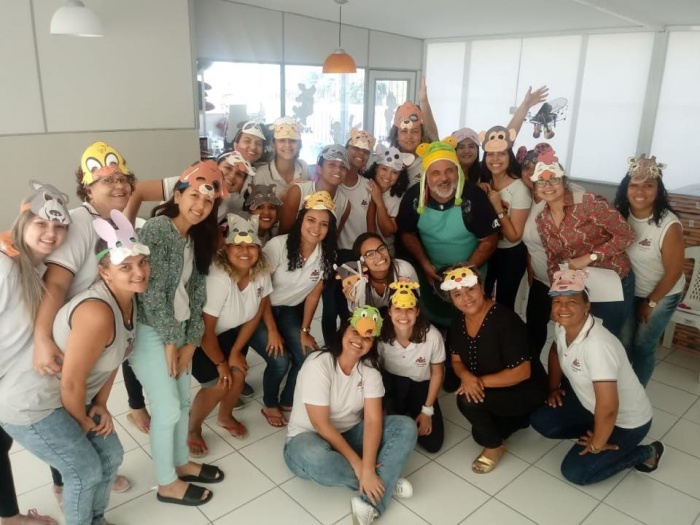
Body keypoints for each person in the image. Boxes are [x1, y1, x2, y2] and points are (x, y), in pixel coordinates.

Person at [2, 206, 150, 525]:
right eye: (126, 266)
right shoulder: (96, 312)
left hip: (65, 397)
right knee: (84, 470)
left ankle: (95, 519)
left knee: (111, 455)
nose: (139, 272)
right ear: (105, 273)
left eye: (142, 262)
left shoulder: (129, 299)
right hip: (31, 405)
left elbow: (116, 356)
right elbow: (71, 383)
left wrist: (100, 405)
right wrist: (82, 421)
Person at [32, 142, 135, 495]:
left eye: (122, 178)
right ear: (88, 188)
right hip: (66, 331)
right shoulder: (80, 221)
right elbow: (56, 283)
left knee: (85, 400)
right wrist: (43, 338)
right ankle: (65, 484)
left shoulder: (117, 222)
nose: (118, 185)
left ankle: (98, 466)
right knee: (64, 403)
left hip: (93, 333)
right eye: (107, 180)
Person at [129, 160, 225, 507]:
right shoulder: (157, 229)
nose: (200, 205)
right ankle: (166, 483)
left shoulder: (197, 237)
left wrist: (190, 341)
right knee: (168, 407)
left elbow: (197, 291)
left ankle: (182, 462)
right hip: (150, 330)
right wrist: (172, 341)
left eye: (208, 200)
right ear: (178, 194)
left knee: (183, 402)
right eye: (194, 195)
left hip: (180, 329)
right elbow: (150, 292)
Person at [283, 307, 417, 525]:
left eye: (368, 337)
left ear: (372, 343)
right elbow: (320, 424)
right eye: (355, 331)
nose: (360, 340)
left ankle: (372, 495)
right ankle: (386, 482)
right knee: (314, 456)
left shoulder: (370, 371)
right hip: (307, 438)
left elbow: (373, 420)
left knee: (406, 426)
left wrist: (368, 466)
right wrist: (359, 465)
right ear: (343, 332)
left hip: (350, 434)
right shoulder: (318, 363)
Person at [530, 269, 663, 485]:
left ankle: (646, 452)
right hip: (593, 407)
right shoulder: (563, 327)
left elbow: (609, 407)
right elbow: (555, 352)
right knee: (542, 421)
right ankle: (599, 430)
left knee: (575, 473)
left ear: (587, 306)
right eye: (557, 302)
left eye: (572, 301)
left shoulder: (597, 346)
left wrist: (597, 442)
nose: (563, 308)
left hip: (626, 421)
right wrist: (553, 388)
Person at [0, 181, 71, 525]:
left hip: (14, 375)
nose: (50, 233)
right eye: (42, 223)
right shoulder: (4, 265)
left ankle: (58, 488)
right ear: (24, 221)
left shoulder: (40, 268)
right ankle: (11, 518)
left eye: (59, 226)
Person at [442, 266, 547, 474]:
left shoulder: (506, 320)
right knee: (479, 433)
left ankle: (495, 447)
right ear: (452, 300)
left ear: (482, 288)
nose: (466, 298)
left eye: (470, 289)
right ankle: (519, 419)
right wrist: (466, 377)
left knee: (467, 400)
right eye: (457, 294)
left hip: (524, 389)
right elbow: (456, 360)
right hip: (495, 386)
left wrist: (476, 383)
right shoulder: (458, 322)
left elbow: (522, 372)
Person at [249, 191, 338, 428]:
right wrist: (272, 330)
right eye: (311, 220)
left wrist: (305, 330)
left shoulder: (326, 255)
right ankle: (270, 404)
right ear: (301, 220)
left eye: (323, 224)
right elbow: (261, 291)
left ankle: (287, 400)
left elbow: (313, 295)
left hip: (287, 311)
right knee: (280, 361)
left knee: (306, 355)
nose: (316, 228)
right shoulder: (278, 246)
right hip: (258, 310)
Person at [188, 214, 272, 456]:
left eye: (251, 246)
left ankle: (225, 417)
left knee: (239, 373)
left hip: (228, 333)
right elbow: (204, 331)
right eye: (238, 245)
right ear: (226, 248)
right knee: (219, 383)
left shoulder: (261, 271)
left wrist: (235, 352)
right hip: (197, 338)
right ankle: (193, 428)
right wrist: (221, 363)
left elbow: (256, 313)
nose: (245, 251)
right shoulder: (219, 278)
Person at [396, 137, 499, 329]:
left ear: (458, 172)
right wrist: (425, 264)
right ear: (426, 176)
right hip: (432, 271)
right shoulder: (414, 197)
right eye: (435, 173)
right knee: (433, 320)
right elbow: (407, 234)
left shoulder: (474, 197)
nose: (443, 178)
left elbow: (490, 240)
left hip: (472, 268)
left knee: (471, 320)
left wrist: (466, 270)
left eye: (449, 171)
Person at [533, 148, 636, 339]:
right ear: (535, 186)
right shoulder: (542, 220)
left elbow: (626, 234)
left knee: (607, 337)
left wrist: (589, 257)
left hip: (612, 281)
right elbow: (553, 260)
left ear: (564, 181)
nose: (547, 185)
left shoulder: (589, 203)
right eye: (541, 181)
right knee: (579, 336)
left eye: (554, 179)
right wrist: (557, 296)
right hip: (579, 287)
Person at [615, 155, 686, 386]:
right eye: (634, 185)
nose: (640, 191)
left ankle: (637, 395)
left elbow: (674, 272)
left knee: (643, 346)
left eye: (648, 185)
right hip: (629, 290)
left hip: (661, 294)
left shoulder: (668, 225)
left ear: (659, 190)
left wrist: (651, 302)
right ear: (626, 189)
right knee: (623, 342)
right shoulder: (620, 215)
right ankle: (622, 389)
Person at [378, 282, 445, 453]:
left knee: (433, 443)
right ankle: (397, 408)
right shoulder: (379, 333)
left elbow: (438, 373)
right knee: (382, 431)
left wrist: (427, 411)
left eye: (409, 309)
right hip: (390, 384)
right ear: (389, 311)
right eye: (398, 309)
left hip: (419, 384)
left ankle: (411, 408)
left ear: (417, 311)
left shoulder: (432, 336)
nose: (403, 315)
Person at [124, 150, 256, 225]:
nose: (232, 176)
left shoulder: (225, 206)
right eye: (227, 167)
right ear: (215, 167)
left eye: (240, 174)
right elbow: (137, 190)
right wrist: (128, 234)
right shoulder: (187, 181)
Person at [478, 125, 531, 309]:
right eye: (490, 154)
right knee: (482, 298)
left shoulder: (519, 188)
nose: (495, 159)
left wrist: (497, 206)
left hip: (511, 254)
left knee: (504, 304)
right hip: (488, 249)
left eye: (501, 154)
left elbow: (514, 236)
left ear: (510, 156)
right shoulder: (485, 182)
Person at [451, 86, 548, 184]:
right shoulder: (447, 171)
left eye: (471, 146)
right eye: (461, 147)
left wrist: (525, 106)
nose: (467, 151)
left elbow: (505, 139)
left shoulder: (484, 171)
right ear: (454, 150)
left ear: (478, 149)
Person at [344, 232, 418, 313]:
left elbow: (414, 307)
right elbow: (357, 316)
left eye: (381, 248)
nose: (379, 256)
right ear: (362, 262)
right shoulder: (357, 281)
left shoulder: (404, 270)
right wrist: (354, 300)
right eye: (370, 254)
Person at [366, 144, 413, 256]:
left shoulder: (398, 198)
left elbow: (387, 232)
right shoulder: (364, 185)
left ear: (400, 176)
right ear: (376, 168)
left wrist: (379, 201)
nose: (388, 175)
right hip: (358, 246)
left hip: (385, 251)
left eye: (394, 172)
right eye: (384, 169)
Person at [253, 117, 311, 199]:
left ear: (299, 145)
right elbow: (261, 206)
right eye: (282, 140)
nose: (287, 145)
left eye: (293, 140)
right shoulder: (262, 174)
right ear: (273, 144)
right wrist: (288, 190)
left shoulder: (304, 166)